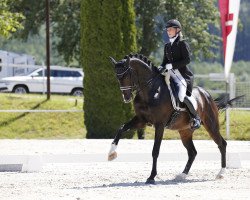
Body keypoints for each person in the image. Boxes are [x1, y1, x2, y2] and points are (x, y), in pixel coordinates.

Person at [158, 19, 201, 129]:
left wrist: (172, 65)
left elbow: (187, 60)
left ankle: (196, 118)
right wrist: (160, 68)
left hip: (181, 76)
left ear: (177, 30)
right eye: (167, 30)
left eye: (170, 29)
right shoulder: (167, 46)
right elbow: (164, 62)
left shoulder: (182, 43)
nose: (168, 31)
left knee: (181, 96)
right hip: (170, 75)